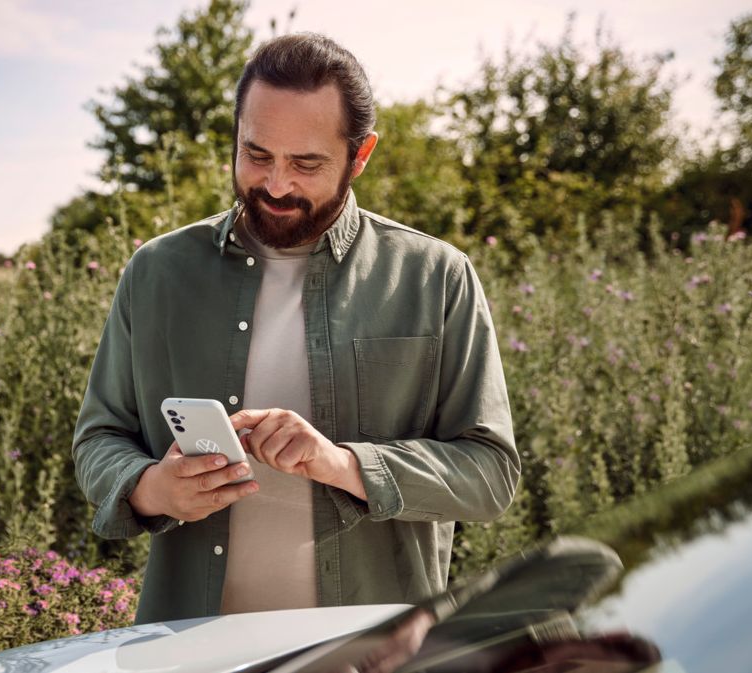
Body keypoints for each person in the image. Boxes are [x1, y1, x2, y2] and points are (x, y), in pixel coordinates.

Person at [73, 32, 519, 625]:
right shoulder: (157, 271)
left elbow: (490, 473)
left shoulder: (436, 277)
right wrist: (153, 488)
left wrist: (343, 464)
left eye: (306, 163)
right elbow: (99, 437)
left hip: (369, 652)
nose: (277, 184)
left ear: (360, 157)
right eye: (257, 155)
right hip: (188, 650)